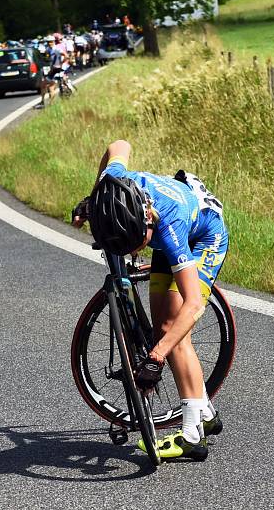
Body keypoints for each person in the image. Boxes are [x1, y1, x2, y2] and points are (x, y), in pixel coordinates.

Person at [72, 140, 228, 461]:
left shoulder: (169, 227)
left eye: (135, 244)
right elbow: (119, 145)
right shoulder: (115, 183)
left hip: (203, 235)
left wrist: (155, 358)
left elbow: (194, 305)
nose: (132, 253)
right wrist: (95, 198)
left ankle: (191, 436)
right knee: (163, 327)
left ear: (147, 221)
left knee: (175, 330)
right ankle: (205, 413)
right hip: (167, 218)